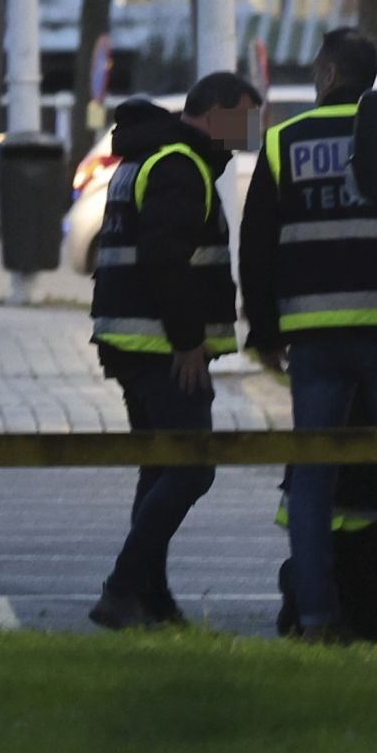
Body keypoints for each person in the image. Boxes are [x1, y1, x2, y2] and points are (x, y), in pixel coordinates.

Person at [240, 28, 377, 640]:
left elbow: (257, 248)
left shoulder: (283, 142)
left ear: (325, 75)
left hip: (314, 336)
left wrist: (265, 329)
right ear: (372, 78)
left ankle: (317, 616)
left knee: (313, 481)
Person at [88, 71, 262, 630]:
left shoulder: (151, 159)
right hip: (162, 347)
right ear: (213, 113)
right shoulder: (179, 167)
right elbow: (164, 258)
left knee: (161, 467)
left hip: (133, 341)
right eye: (244, 119)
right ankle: (122, 588)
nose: (249, 135)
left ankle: (151, 597)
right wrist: (188, 342)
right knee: (191, 468)